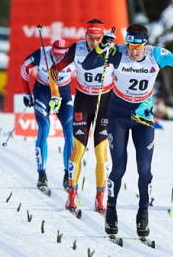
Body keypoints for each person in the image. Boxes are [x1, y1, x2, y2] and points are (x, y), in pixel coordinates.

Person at [82, 23, 173, 238]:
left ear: (145, 43)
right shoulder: (118, 52)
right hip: (118, 116)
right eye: (130, 47)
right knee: (118, 168)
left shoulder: (156, 55)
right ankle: (111, 209)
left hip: (143, 118)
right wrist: (101, 48)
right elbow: (89, 65)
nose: (133, 52)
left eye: (138, 47)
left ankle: (143, 211)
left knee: (144, 169)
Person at [48, 19, 115, 212]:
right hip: (83, 102)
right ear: (85, 36)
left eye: (98, 38)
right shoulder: (76, 49)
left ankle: (100, 197)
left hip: (105, 103)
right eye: (91, 38)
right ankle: (72, 195)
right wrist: (55, 93)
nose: (94, 42)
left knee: (101, 154)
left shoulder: (113, 49)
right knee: (78, 150)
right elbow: (54, 70)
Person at [20, 39, 75, 193]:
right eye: (55, 57)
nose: (58, 60)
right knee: (44, 128)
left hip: (63, 92)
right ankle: (41, 174)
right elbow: (24, 67)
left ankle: (67, 175)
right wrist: (26, 92)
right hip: (43, 91)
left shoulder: (74, 55)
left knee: (69, 130)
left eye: (61, 58)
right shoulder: (42, 53)